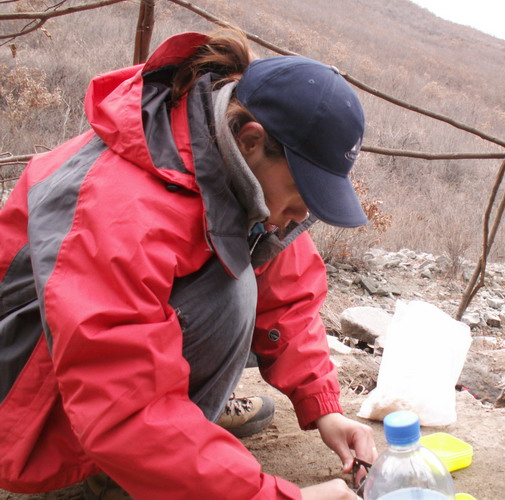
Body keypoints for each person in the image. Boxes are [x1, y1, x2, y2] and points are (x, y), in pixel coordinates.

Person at [0, 28, 376, 499]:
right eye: (303, 194)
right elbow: (121, 400)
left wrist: (325, 408)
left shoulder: (232, 165)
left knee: (247, 262)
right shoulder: (122, 206)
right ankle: (116, 475)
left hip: (91, 373)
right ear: (252, 140)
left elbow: (288, 295)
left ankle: (185, 430)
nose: (302, 215)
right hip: (27, 402)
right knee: (231, 291)